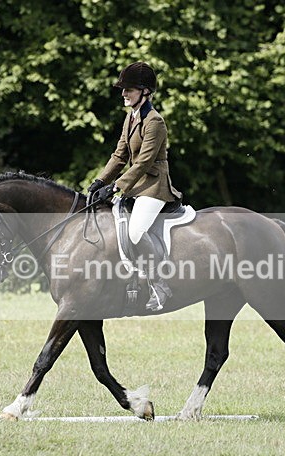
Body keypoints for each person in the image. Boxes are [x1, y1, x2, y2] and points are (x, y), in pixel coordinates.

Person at [88, 61, 183, 311]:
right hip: (136, 186)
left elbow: (143, 163)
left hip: (154, 187)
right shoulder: (130, 117)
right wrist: (100, 181)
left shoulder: (155, 121)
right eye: (123, 89)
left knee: (136, 231)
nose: (123, 93)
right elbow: (119, 155)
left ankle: (159, 284)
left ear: (145, 91)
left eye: (129, 89)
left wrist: (115, 187)